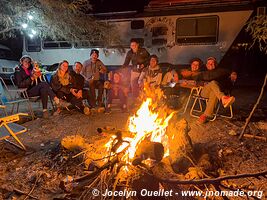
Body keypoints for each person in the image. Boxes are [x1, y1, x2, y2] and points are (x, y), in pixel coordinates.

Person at [193, 57, 237, 123]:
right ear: (206, 64)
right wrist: (204, 83)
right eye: (209, 63)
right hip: (204, 91)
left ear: (215, 64)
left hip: (216, 92)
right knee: (213, 83)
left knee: (214, 92)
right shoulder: (202, 72)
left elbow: (231, 71)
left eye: (212, 63)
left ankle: (206, 115)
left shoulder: (221, 71)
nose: (210, 65)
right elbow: (196, 81)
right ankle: (223, 98)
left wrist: (233, 73)